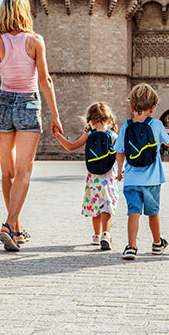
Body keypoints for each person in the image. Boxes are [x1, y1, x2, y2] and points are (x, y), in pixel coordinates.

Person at [0, 0, 63, 252]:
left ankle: (15, 228)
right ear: (25, 12)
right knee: (24, 172)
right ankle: (8, 225)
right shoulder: (35, 41)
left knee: (8, 172)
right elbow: (45, 79)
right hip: (29, 104)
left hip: (3, 105)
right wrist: (55, 114)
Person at [115, 84, 169, 260]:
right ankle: (157, 244)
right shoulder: (156, 124)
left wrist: (119, 170)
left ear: (131, 107)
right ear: (153, 108)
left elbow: (120, 151)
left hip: (131, 179)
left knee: (134, 212)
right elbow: (168, 142)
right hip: (152, 179)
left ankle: (131, 247)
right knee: (153, 212)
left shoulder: (125, 126)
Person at [53, 102, 119, 251]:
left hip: (93, 179)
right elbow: (122, 153)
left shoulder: (89, 134)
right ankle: (106, 234)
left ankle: (96, 236)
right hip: (108, 179)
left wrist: (58, 135)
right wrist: (122, 169)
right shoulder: (113, 136)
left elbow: (70, 147)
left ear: (90, 121)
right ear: (109, 120)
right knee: (106, 209)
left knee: (95, 207)